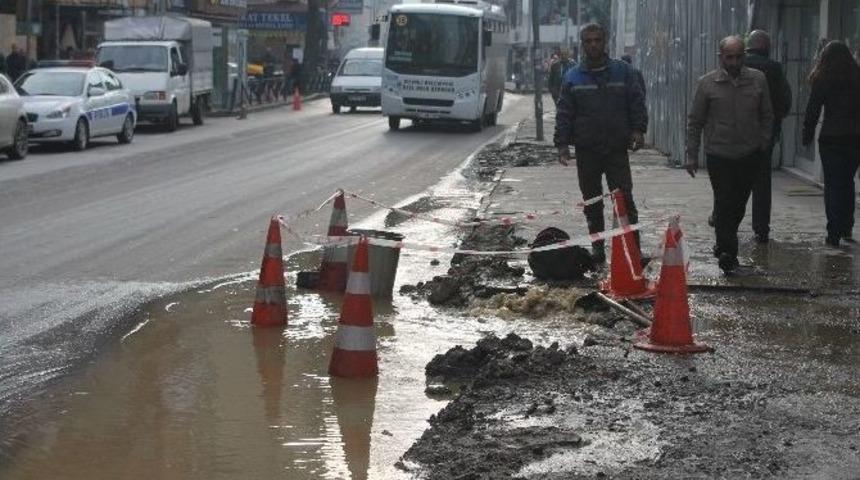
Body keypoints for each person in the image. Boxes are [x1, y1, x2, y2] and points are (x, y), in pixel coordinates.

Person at [554, 23, 648, 264]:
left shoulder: (623, 71)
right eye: (588, 41)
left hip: (616, 148)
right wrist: (562, 144)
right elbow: (564, 112)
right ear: (583, 45)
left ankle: (633, 251)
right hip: (587, 151)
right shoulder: (572, 76)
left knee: (625, 200)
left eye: (597, 40)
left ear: (604, 42)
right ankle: (598, 249)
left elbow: (636, 101)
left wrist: (638, 130)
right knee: (592, 202)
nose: (593, 45)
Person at [686, 36, 774, 273]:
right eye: (729, 57)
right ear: (721, 57)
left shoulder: (757, 80)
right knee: (724, 200)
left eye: (738, 56)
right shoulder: (707, 84)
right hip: (719, 154)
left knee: (738, 204)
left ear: (744, 56)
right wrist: (691, 154)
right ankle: (727, 251)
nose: (734, 61)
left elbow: (767, 115)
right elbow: (695, 121)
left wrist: (763, 144)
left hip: (749, 153)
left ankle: (724, 239)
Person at [802, 41, 860, 247]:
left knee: (833, 185)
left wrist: (807, 134)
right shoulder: (856, 77)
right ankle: (847, 227)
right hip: (854, 138)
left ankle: (833, 231)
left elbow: (813, 109)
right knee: (848, 182)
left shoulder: (824, 78)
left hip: (831, 137)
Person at [741, 30, 793, 243]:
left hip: (738, 132)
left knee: (733, 178)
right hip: (765, 133)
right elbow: (784, 99)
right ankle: (761, 228)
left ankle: (723, 219)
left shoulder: (738, 64)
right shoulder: (774, 68)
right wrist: (776, 121)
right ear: (767, 47)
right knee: (762, 181)